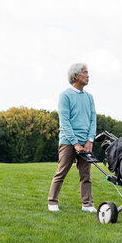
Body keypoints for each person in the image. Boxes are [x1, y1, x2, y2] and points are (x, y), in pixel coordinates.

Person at [48, 63, 97, 212]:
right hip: (68, 142)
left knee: (86, 175)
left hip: (85, 142)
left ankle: (87, 204)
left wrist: (90, 140)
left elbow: (92, 119)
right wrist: (75, 143)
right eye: (85, 73)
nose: (88, 75)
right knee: (61, 172)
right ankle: (52, 202)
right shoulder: (65, 95)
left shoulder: (89, 97)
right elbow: (65, 122)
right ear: (76, 76)